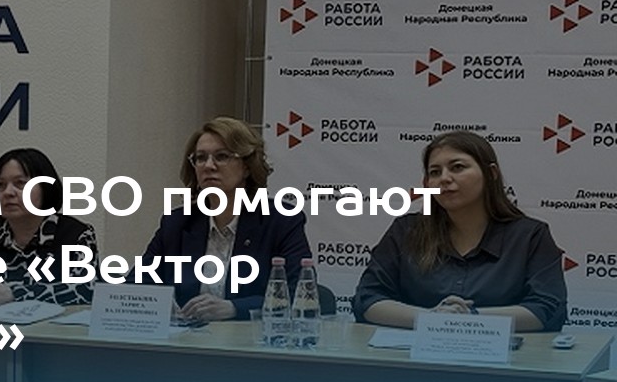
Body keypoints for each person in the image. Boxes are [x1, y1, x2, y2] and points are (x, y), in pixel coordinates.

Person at [353, 131, 567, 332]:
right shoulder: (406, 230)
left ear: (491, 173)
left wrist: (469, 319)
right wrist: (430, 318)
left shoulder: (530, 236)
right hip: (412, 355)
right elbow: (367, 299)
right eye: (435, 172)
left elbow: (548, 309)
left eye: (457, 167)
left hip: (507, 357)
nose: (444, 178)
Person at [142, 116, 312, 321]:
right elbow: (136, 283)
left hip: (250, 339)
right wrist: (155, 302)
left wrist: (234, 308)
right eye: (200, 158)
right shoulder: (177, 223)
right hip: (185, 337)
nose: (208, 166)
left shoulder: (281, 220)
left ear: (247, 166)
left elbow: (299, 293)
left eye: (221, 156)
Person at [0, 148, 97, 307]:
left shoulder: (76, 235)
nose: (8, 192)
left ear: (45, 187)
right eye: (1, 185)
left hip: (49, 324)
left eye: (20, 183)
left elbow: (86, 289)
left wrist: (15, 293)